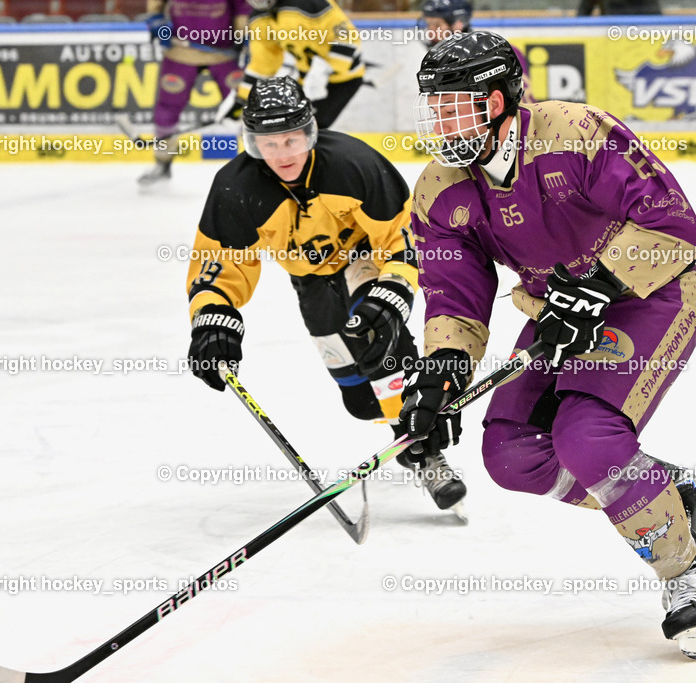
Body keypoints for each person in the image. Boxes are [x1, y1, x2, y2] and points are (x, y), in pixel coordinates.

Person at [399, 31, 696, 658]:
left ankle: (693, 581)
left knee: (588, 437)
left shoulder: (575, 133)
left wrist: (593, 284)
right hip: (558, 312)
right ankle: (674, 495)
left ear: (503, 99)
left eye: (460, 103)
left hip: (650, 296)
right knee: (511, 455)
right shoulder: (439, 190)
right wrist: (439, 377)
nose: (444, 119)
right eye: (437, 105)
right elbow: (454, 298)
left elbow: (671, 222)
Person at [185, 77, 467, 511]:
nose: (283, 154)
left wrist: (393, 290)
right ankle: (398, 422)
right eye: (269, 143)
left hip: (364, 262)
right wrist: (212, 318)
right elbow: (220, 265)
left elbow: (404, 234)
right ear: (252, 142)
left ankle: (426, 451)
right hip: (311, 281)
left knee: (379, 341)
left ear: (309, 133)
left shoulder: (354, 164)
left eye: (291, 140)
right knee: (358, 400)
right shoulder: (236, 189)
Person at [138, 0, 251, 186]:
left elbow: (242, 10)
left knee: (245, 108)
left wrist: (245, 37)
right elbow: (155, 8)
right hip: (180, 52)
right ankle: (162, 163)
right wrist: (157, 22)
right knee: (167, 108)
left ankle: (256, 162)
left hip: (223, 52)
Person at [217, 0, 365, 130]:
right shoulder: (258, 19)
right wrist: (242, 98)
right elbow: (263, 65)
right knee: (288, 126)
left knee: (314, 127)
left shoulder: (311, 3)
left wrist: (326, 70)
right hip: (306, 80)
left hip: (344, 78)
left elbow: (347, 38)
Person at [418, 0, 535, 103]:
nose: (430, 31)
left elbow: (518, 105)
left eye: (437, 25)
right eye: (428, 24)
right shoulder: (436, 63)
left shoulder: (499, 55)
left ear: (458, 24)